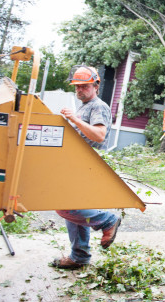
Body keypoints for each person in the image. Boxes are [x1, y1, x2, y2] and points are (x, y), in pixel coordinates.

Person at [51, 65, 121, 269]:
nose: (80, 90)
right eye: (77, 87)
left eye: (84, 86)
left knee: (65, 205)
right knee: (74, 207)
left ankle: (107, 221)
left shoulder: (98, 106)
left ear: (96, 85)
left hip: (87, 165)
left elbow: (99, 135)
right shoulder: (84, 107)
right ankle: (79, 256)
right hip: (77, 164)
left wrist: (73, 119)